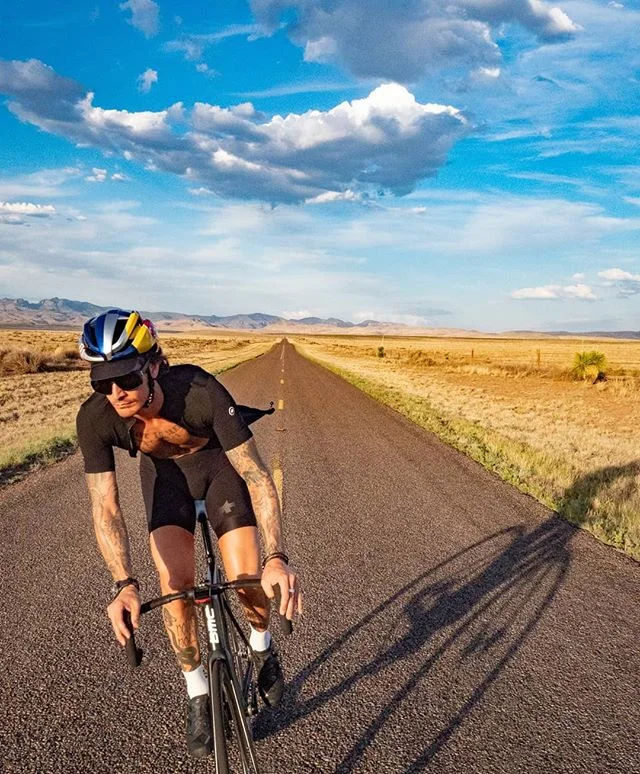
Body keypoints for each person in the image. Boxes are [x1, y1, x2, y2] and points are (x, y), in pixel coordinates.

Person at [76, 309, 300, 759]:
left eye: (126, 378)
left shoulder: (199, 391)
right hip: (166, 484)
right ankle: (197, 691)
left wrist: (278, 556)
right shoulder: (96, 419)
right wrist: (123, 585)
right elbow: (105, 506)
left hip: (219, 473)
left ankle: (260, 644)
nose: (116, 393)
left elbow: (255, 476)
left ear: (154, 366)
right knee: (175, 589)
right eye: (103, 382)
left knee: (247, 576)